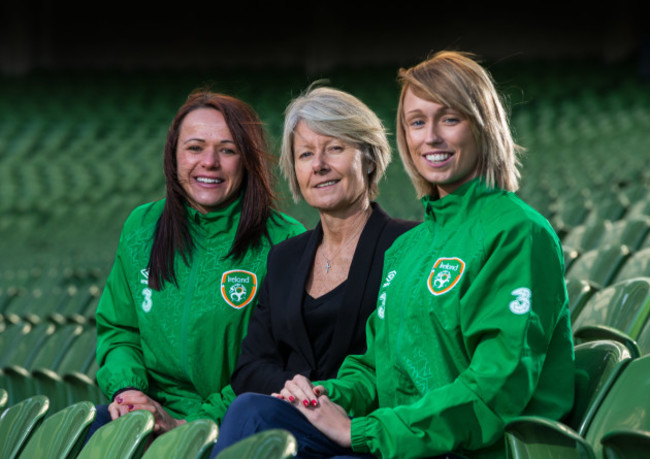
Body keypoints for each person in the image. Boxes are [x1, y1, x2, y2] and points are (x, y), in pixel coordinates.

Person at [210, 51, 575, 458]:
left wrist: (365, 432)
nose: (430, 136)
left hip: (470, 449)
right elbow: (375, 367)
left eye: (449, 118)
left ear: (483, 126)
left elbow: (497, 385)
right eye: (417, 122)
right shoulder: (410, 248)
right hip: (403, 443)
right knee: (253, 412)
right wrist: (323, 396)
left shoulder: (518, 231)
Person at [88, 89, 306, 440]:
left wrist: (192, 425)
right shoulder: (142, 227)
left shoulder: (286, 242)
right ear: (173, 156)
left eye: (228, 150)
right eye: (194, 147)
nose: (209, 162)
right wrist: (128, 394)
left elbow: (279, 366)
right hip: (149, 412)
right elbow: (120, 329)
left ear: (247, 160)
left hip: (237, 424)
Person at [228, 85, 419, 397]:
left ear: (369, 159)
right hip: (293, 419)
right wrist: (294, 388)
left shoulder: (408, 244)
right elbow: (250, 368)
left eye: (334, 148)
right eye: (305, 154)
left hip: (365, 429)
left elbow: (410, 360)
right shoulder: (284, 258)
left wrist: (332, 397)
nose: (318, 165)